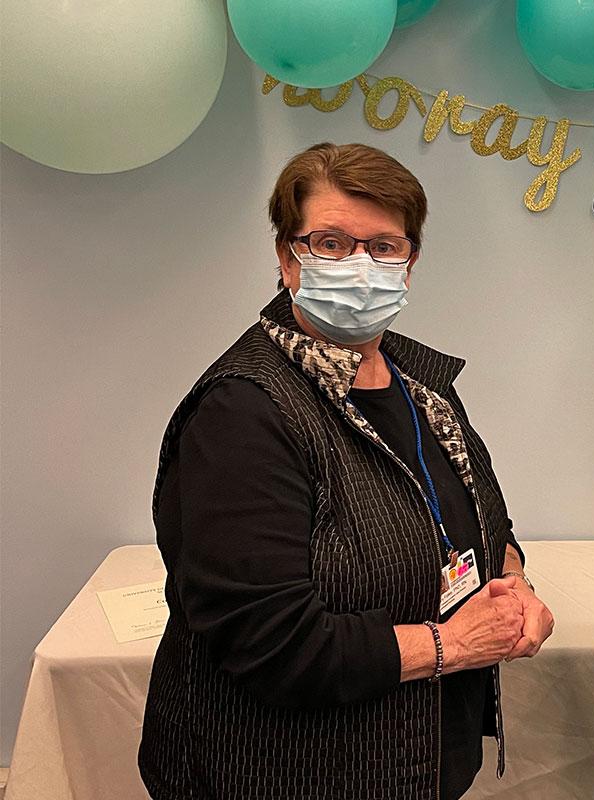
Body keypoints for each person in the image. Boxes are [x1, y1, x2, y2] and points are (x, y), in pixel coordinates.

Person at [139, 142, 553, 800]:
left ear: (411, 261)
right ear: (287, 257)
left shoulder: (425, 386)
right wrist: (452, 646)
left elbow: (483, 519)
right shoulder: (243, 411)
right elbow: (272, 645)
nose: (361, 266)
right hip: (288, 773)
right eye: (331, 243)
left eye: (384, 246)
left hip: (415, 759)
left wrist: (513, 582)